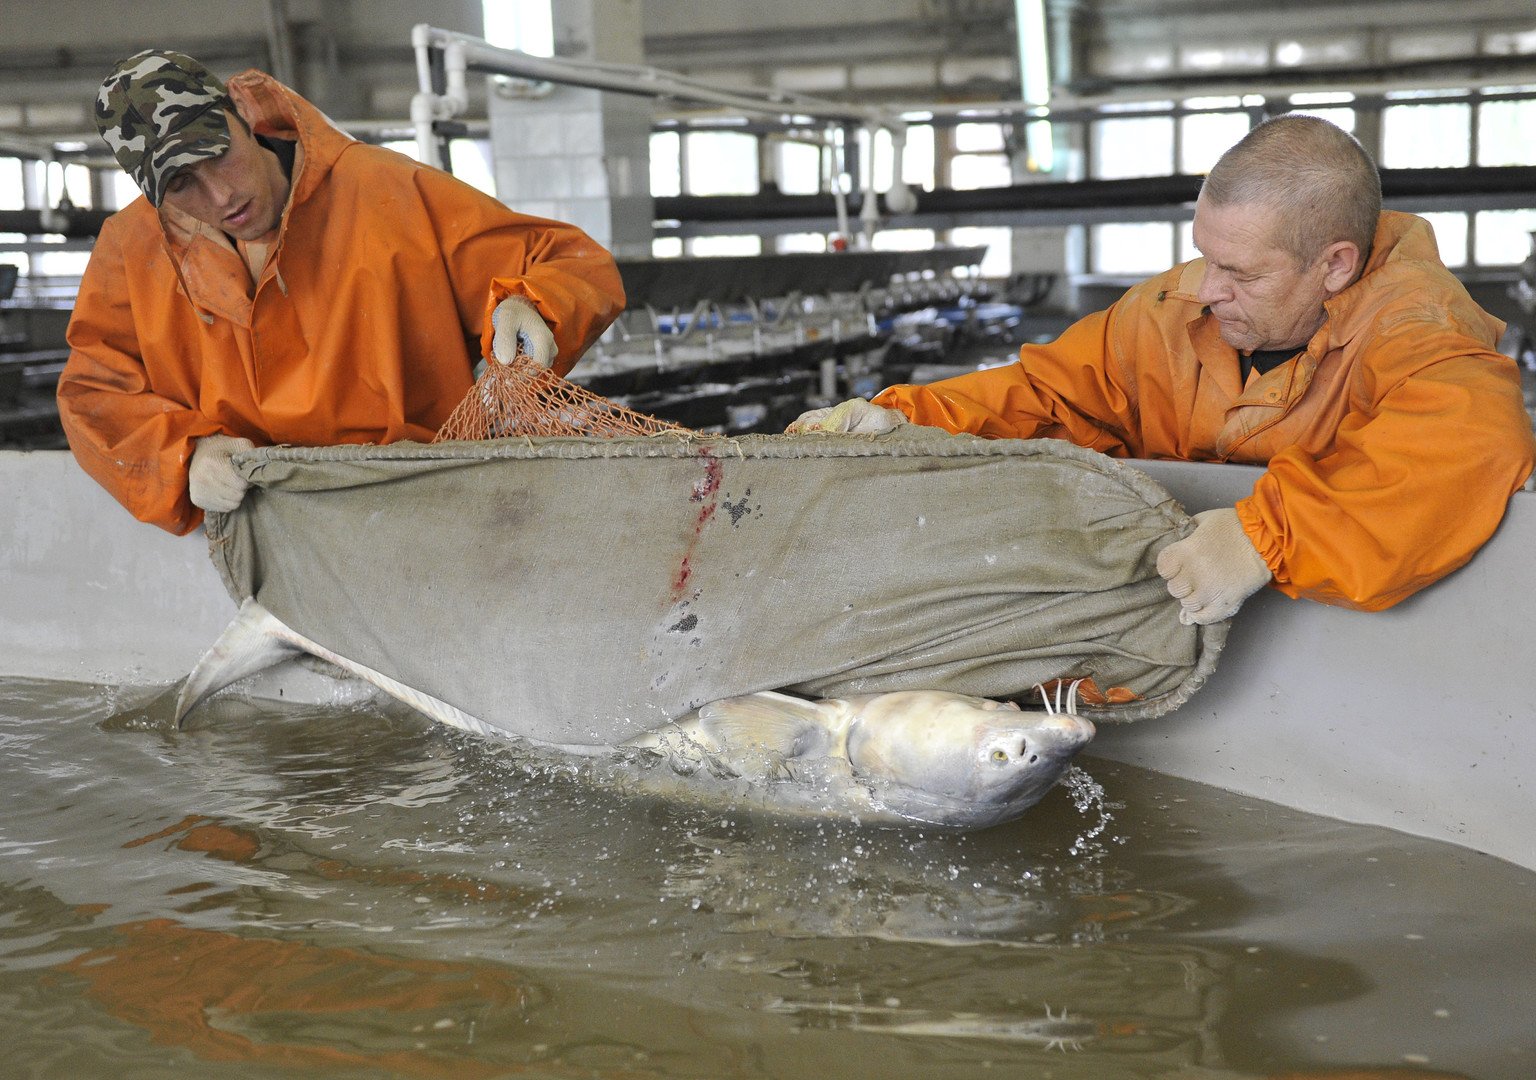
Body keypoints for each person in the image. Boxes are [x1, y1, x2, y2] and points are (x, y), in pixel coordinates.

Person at [790, 114, 1536, 624]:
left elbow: (1462, 451)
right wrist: (909, 420)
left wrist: (1265, 537)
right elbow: (1050, 395)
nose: (1208, 289)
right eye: (1204, 255)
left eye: (1240, 272)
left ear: (1335, 265)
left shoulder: (1418, 327)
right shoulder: (1168, 312)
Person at [58, 50, 626, 535]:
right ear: (151, 194)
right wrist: (183, 455)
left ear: (241, 115)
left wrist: (532, 302)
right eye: (182, 184)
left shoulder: (387, 191)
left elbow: (567, 262)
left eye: (218, 153)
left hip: (427, 514)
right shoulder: (132, 248)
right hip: (261, 533)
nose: (222, 195)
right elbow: (92, 392)